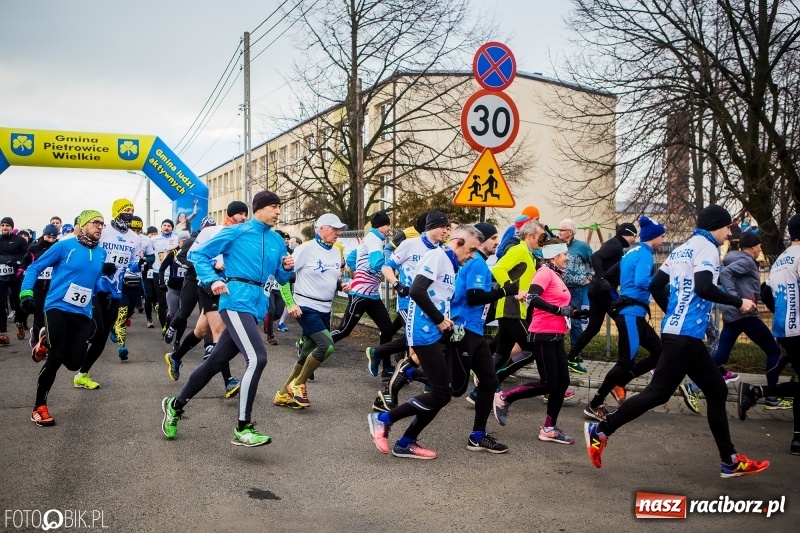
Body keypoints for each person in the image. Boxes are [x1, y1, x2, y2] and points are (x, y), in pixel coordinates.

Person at [584, 205, 770, 478]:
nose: (730, 233)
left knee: (717, 390)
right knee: (657, 393)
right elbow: (704, 287)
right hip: (684, 336)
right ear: (717, 226)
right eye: (728, 227)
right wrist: (738, 301)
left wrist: (674, 311)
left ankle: (729, 461)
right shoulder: (706, 248)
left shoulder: (682, 248)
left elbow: (657, 285)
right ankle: (601, 430)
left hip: (683, 333)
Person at [161, 191, 293, 446]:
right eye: (273, 207)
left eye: (279, 207)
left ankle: (174, 405)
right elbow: (198, 255)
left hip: (256, 305)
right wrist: (212, 280)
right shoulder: (238, 231)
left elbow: (280, 277)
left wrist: (287, 269)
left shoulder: (277, 240)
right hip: (235, 300)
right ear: (259, 209)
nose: (278, 212)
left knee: (214, 363)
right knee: (257, 358)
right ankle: (244, 427)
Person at [367, 225, 483, 459]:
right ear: (459, 242)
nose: (472, 256)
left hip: (439, 333)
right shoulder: (438, 256)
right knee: (441, 394)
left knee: (446, 391)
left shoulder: (451, 263)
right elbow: (418, 291)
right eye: (471, 250)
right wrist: (440, 319)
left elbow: (437, 296)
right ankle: (382, 420)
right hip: (424, 333)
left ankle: (406, 442)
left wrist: (446, 320)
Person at [492, 238, 588, 444]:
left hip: (556, 335)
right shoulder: (545, 272)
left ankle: (549, 428)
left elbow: (558, 304)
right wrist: (559, 310)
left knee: (562, 383)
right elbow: (532, 298)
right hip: (542, 335)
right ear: (554, 255)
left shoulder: (556, 275)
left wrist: (574, 313)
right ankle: (504, 398)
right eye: (564, 254)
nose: (567, 257)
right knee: (549, 383)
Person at [681, 230, 783, 413]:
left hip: (733, 315)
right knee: (774, 350)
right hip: (745, 314)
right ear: (752, 247)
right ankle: (772, 397)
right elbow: (726, 274)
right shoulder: (747, 261)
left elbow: (726, 277)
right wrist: (737, 300)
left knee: (721, 356)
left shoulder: (733, 259)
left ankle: (694, 386)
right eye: (759, 245)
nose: (760, 248)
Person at [22, 210, 107, 426]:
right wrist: (26, 293)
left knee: (74, 362)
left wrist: (101, 291)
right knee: (57, 356)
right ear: (83, 225)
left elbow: (92, 280)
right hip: (57, 307)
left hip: (82, 312)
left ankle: (45, 340)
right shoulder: (65, 246)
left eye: (102, 224)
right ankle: (39, 407)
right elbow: (34, 267)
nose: (99, 227)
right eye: (95, 222)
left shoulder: (101, 253)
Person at [584, 216, 665, 421]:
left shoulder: (630, 252)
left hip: (635, 314)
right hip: (630, 314)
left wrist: (616, 295)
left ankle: (621, 382)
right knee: (625, 361)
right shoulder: (645, 254)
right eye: (662, 236)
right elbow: (642, 281)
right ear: (654, 237)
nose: (664, 240)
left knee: (659, 352)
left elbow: (610, 276)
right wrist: (665, 281)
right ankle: (595, 403)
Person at [165, 204, 248, 399]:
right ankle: (229, 381)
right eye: (240, 214)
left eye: (246, 214)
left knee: (201, 331)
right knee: (219, 332)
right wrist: (214, 264)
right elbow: (192, 255)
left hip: (229, 288)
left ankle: (175, 357)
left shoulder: (243, 235)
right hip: (209, 287)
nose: (244, 217)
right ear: (228, 215)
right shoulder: (211, 232)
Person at [739, 213, 800, 455]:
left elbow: (766, 294)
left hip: (784, 329)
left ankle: (797, 440)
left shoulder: (781, 259)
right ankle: (758, 392)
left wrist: (781, 315)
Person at [273, 213, 348, 409]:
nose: (337, 232)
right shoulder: (305, 249)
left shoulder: (335, 251)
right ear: (321, 228)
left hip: (325, 309)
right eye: (334, 228)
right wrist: (290, 304)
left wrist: (341, 286)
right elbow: (283, 278)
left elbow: (328, 276)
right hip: (306, 307)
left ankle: (282, 394)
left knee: (306, 352)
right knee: (327, 345)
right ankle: (297, 385)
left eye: (339, 229)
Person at [370, 211, 450, 379]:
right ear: (431, 227)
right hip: (408, 301)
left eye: (448, 228)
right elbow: (386, 266)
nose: (446, 231)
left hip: (429, 304)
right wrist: (397, 284)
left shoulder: (442, 250)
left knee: (419, 341)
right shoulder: (409, 244)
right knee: (420, 341)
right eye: (443, 227)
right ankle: (411, 377)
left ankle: (380, 354)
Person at [80, 198, 142, 377]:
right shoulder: (103, 232)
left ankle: (83, 373)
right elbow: (89, 254)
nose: (129, 213)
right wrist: (102, 265)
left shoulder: (134, 238)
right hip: (95, 289)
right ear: (116, 211)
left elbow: (132, 265)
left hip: (116, 291)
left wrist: (141, 265)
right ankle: (70, 347)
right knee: (96, 331)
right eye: (126, 210)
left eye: (132, 210)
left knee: (101, 338)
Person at [567, 222, 638, 375]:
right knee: (624, 321)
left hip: (597, 289)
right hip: (605, 290)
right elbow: (595, 256)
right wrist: (601, 277)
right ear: (627, 234)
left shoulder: (616, 245)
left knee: (593, 327)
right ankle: (625, 363)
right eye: (634, 236)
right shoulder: (616, 245)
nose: (634, 240)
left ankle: (571, 357)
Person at [331, 211, 395, 376]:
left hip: (372, 295)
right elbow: (376, 263)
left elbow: (352, 260)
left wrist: (360, 269)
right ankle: (312, 346)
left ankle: (386, 367)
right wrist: (391, 262)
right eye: (388, 225)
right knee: (344, 330)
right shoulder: (374, 240)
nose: (389, 228)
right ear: (381, 226)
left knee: (387, 329)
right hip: (360, 294)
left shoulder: (367, 239)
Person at [111, 215, 154, 358]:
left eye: (138, 229)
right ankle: (122, 347)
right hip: (121, 282)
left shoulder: (144, 240)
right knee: (122, 314)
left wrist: (145, 261)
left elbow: (152, 257)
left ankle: (114, 326)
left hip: (136, 282)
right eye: (133, 229)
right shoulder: (120, 237)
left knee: (129, 313)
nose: (136, 232)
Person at [20, 223, 60, 360]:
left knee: (49, 314)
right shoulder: (33, 247)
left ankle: (47, 342)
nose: (50, 239)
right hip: (37, 286)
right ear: (43, 235)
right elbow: (26, 261)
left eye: (53, 237)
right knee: (38, 314)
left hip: (51, 286)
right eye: (48, 236)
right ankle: (37, 341)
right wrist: (20, 270)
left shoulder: (57, 248)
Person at [558, 219, 594, 358]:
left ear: (570, 232)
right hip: (558, 288)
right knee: (557, 318)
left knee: (575, 320)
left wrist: (589, 277)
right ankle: (558, 350)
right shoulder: (556, 245)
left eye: (562, 230)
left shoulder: (582, 247)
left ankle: (575, 352)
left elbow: (594, 262)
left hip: (575, 289)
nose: (559, 232)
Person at [1, 216, 29, 345]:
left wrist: (15, 262)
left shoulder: (19, 240)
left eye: (7, 225)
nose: (4, 227)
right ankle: (3, 333)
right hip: (1, 277)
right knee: (1, 304)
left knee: (18, 302)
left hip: (15, 276)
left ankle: (20, 322)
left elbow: (27, 255)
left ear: (12, 227)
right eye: (2, 225)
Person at [148, 219, 179, 332]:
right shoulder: (153, 240)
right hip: (158, 272)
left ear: (172, 227)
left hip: (173, 273)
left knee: (173, 301)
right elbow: (149, 254)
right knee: (162, 301)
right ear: (161, 227)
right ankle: (164, 326)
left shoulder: (176, 238)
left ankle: (174, 323)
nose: (166, 227)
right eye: (164, 225)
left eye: (169, 226)